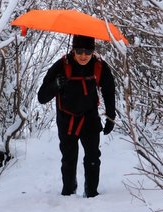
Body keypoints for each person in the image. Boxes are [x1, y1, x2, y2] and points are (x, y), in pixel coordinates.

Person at [37, 34, 116, 197]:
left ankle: (92, 192)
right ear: (73, 49)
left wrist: (111, 116)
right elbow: (42, 97)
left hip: (90, 118)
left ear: (93, 51)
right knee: (68, 158)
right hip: (67, 120)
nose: (83, 56)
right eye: (79, 50)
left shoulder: (99, 66)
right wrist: (56, 84)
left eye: (88, 51)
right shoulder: (61, 66)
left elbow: (109, 91)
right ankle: (69, 191)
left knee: (93, 157)